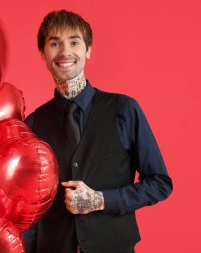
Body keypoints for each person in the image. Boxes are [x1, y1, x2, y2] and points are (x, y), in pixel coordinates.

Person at [23, 10, 173, 253]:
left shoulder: (124, 110)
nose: (64, 52)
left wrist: (101, 200)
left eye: (74, 42)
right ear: (42, 53)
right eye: (54, 43)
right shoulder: (32, 125)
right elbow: (31, 211)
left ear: (88, 50)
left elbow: (160, 184)